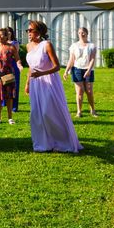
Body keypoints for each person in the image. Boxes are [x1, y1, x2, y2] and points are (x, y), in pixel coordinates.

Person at [25, 20, 82, 153]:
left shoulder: (47, 45)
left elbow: (57, 67)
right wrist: (27, 83)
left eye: (30, 30)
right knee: (36, 114)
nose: (28, 33)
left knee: (48, 112)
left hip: (49, 82)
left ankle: (63, 141)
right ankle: (43, 143)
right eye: (27, 30)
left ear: (38, 32)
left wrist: (42, 73)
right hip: (35, 83)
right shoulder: (28, 46)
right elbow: (30, 68)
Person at [63, 27, 97, 117]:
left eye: (83, 32)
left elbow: (92, 59)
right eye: (79, 33)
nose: (81, 34)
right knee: (80, 91)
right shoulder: (74, 46)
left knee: (89, 91)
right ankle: (79, 111)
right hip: (76, 69)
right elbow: (71, 59)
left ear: (87, 33)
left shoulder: (92, 46)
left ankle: (92, 110)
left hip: (89, 69)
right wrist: (66, 71)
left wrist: (89, 70)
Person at [4, 27, 23, 112]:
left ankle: (14, 107)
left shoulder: (15, 43)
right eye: (6, 32)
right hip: (4, 65)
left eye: (9, 32)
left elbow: (14, 54)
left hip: (13, 64)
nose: (8, 34)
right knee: (4, 84)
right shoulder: (2, 43)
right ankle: (5, 103)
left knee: (14, 86)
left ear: (12, 33)